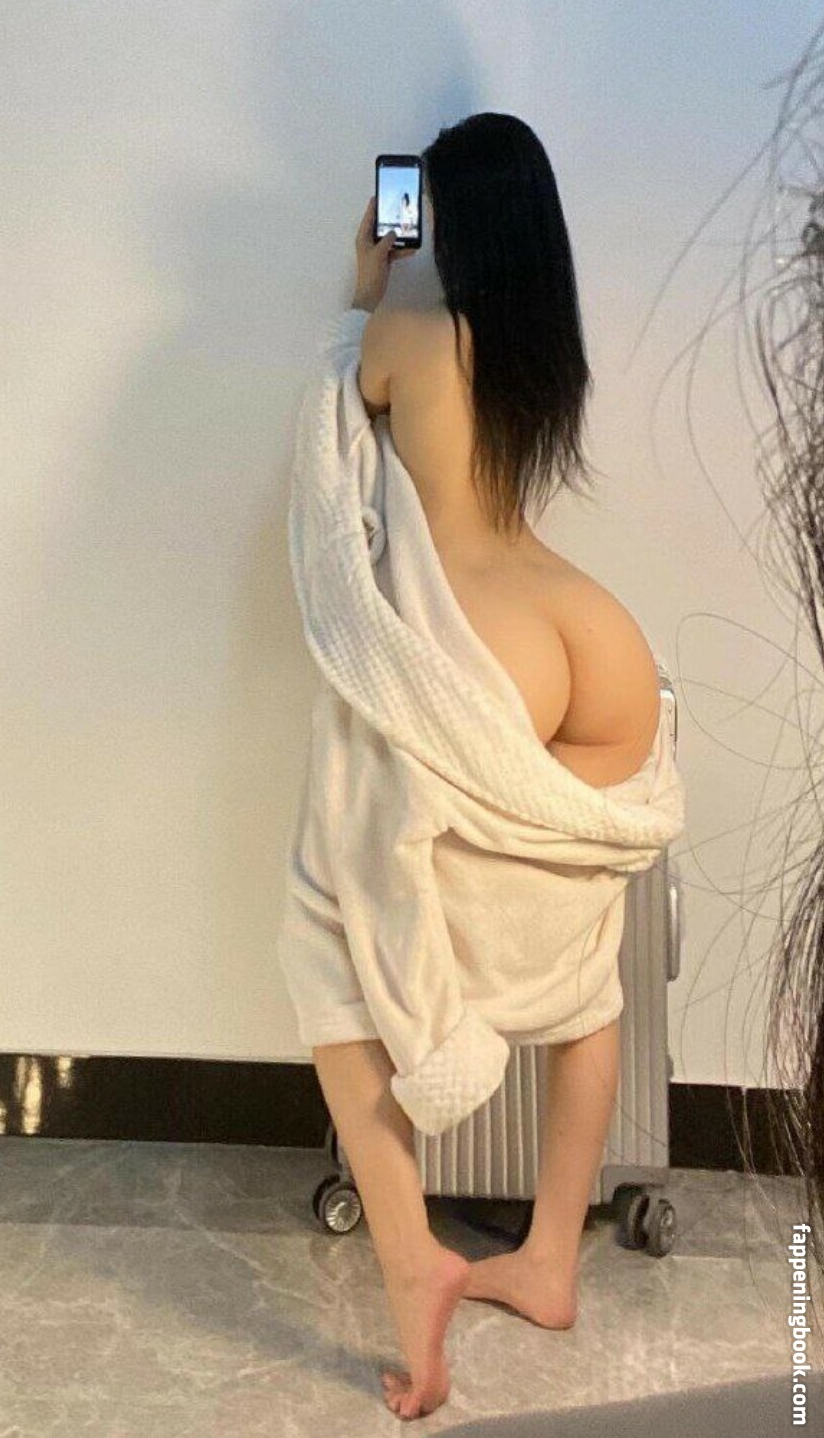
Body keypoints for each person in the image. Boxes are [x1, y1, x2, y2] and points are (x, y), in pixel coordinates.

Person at [311, 112, 664, 1419]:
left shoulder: (411, 337)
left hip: (485, 642)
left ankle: (420, 1251)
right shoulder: (541, 348)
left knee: (332, 934)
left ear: (441, 220)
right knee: (587, 966)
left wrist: (369, 277)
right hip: (590, 633)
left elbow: (340, 404)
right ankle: (551, 1258)